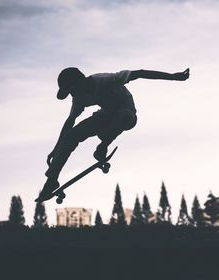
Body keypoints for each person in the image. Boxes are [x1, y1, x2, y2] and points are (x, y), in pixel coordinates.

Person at [36, 67, 190, 201]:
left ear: (80, 81)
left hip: (126, 113)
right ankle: (51, 180)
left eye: (72, 90)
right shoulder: (79, 97)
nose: (72, 95)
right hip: (104, 117)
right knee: (72, 136)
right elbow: (69, 123)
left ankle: (102, 146)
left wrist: (173, 77)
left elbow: (141, 73)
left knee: (124, 116)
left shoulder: (106, 80)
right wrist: (56, 150)